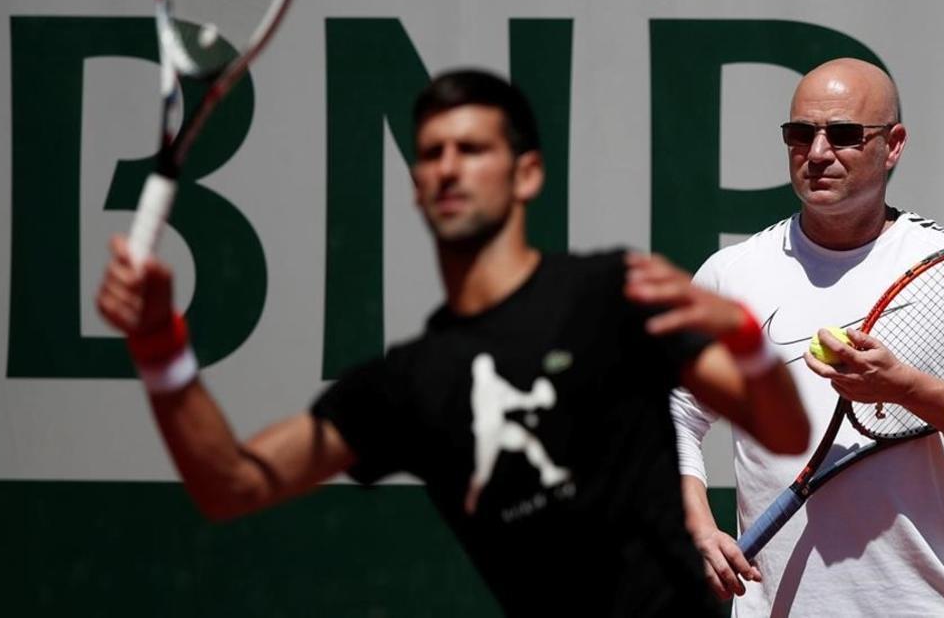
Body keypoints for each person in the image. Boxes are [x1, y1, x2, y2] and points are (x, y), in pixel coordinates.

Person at [97, 69, 810, 617]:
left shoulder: (612, 295)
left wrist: (743, 336)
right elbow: (232, 484)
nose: (447, 166)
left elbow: (782, 425)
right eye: (432, 153)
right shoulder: (406, 383)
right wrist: (160, 342)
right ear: (415, 184)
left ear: (526, 172)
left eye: (471, 149)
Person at [670, 58, 944, 616]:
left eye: (845, 135)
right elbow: (674, 415)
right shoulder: (732, 274)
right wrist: (697, 523)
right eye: (801, 134)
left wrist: (904, 388)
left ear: (893, 145)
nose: (818, 153)